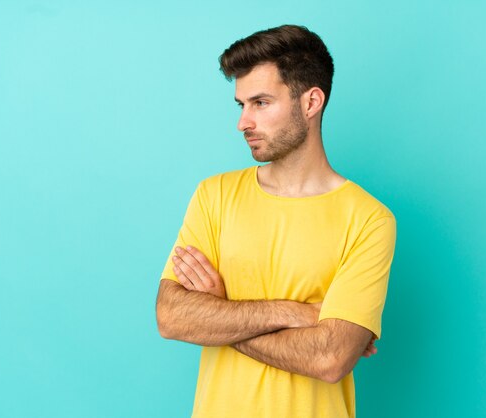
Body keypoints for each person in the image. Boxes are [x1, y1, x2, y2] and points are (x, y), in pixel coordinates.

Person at [155, 24, 396, 418]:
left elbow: (330, 358)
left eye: (261, 103)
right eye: (241, 105)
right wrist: (296, 314)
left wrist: (221, 312)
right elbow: (172, 317)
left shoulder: (369, 220)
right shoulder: (213, 196)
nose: (243, 122)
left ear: (311, 102)